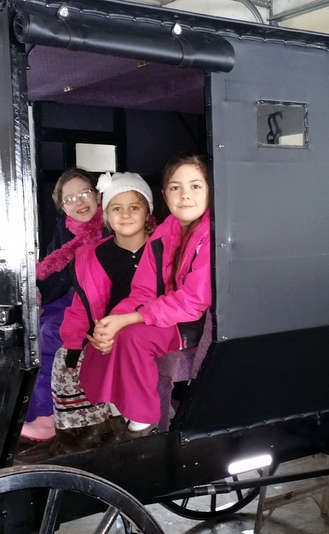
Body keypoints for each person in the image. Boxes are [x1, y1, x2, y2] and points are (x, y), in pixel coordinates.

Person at [80, 153, 212, 440]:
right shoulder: (165, 232)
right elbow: (142, 290)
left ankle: (143, 421)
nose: (185, 195)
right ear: (164, 194)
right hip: (166, 313)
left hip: (195, 323)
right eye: (176, 188)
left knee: (132, 338)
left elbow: (193, 301)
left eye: (196, 187)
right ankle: (118, 407)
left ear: (210, 190)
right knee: (103, 333)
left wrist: (132, 319)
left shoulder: (211, 234)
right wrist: (112, 321)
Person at [50, 171, 154, 454]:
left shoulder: (161, 248)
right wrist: (74, 343)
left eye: (134, 207)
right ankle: (84, 428)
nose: (126, 215)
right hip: (104, 325)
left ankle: (126, 419)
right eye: (116, 209)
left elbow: (152, 296)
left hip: (146, 322)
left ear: (148, 212)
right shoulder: (92, 255)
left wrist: (112, 326)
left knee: (120, 343)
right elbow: (82, 305)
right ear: (106, 215)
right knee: (65, 357)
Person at [23, 167, 104, 441]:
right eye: (69, 199)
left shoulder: (113, 221)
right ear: (62, 206)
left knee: (50, 332)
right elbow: (53, 270)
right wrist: (39, 296)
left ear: (97, 194)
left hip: (98, 299)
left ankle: (47, 417)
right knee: (30, 327)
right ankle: (27, 411)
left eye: (84, 193)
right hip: (71, 297)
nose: (79, 202)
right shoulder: (66, 229)